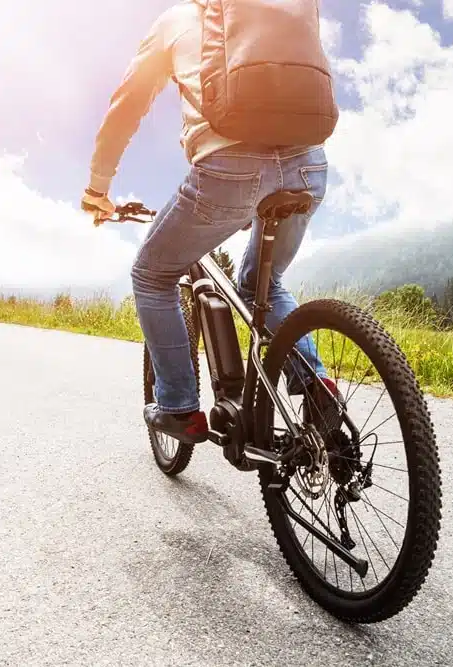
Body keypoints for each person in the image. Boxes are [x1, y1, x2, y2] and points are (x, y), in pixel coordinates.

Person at [81, 0, 340, 444]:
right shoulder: (277, 9)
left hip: (228, 173)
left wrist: (97, 190)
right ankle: (315, 386)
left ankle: (178, 407)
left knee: (151, 274)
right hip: (309, 165)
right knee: (265, 281)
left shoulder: (174, 22)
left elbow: (126, 108)